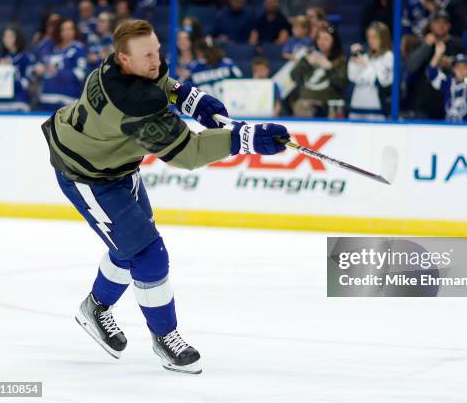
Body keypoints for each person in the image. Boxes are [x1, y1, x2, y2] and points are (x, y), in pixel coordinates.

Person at [40, 19, 289, 374]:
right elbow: (187, 152)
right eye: (147, 56)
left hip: (116, 166)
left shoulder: (115, 68)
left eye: (157, 50)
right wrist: (244, 138)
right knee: (147, 253)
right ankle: (165, 337)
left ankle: (95, 307)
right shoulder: (132, 102)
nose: (156, 60)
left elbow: (159, 84)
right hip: (86, 176)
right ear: (125, 59)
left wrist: (189, 96)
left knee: (131, 245)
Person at [405, 10, 467, 119]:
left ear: (449, 26)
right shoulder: (422, 43)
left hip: (450, 104)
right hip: (424, 103)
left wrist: (451, 64)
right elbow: (411, 67)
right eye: (437, 22)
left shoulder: (458, 45)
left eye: (444, 22)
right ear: (431, 25)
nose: (440, 26)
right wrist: (426, 46)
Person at [290, 25, 348, 118]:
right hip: (305, 102)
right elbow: (294, 76)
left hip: (328, 104)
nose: (321, 42)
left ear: (334, 41)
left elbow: (341, 83)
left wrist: (329, 68)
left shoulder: (340, 61)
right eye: (319, 38)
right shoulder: (308, 57)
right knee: (300, 105)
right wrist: (306, 64)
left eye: (326, 39)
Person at [35, 18, 87, 111]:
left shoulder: (78, 48)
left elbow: (80, 74)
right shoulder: (50, 47)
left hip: (67, 100)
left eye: (70, 29)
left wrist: (58, 73)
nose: (67, 32)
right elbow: (38, 64)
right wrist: (39, 69)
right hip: (47, 99)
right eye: (64, 29)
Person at [428, 47, 467, 121]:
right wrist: (437, 54)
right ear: (453, 69)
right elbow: (431, 74)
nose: (461, 70)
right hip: (448, 126)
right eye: (458, 67)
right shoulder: (447, 82)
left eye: (464, 67)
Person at [348, 22, 394, 120]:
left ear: (383, 38)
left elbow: (381, 82)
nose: (370, 40)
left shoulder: (389, 57)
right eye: (369, 37)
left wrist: (366, 65)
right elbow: (352, 77)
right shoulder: (366, 57)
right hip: (357, 108)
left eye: (374, 37)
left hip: (375, 111)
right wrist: (353, 59)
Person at [0, 26, 35, 112]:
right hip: (1, 102)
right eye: (5, 36)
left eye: (10, 37)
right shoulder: (1, 57)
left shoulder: (26, 58)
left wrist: (10, 70)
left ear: (17, 38)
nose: (6, 39)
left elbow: (26, 83)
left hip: (18, 102)